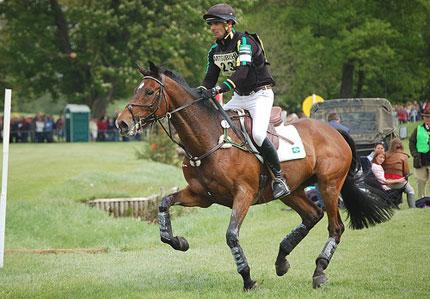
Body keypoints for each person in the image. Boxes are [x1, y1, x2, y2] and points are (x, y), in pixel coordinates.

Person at [199, 3, 290, 199]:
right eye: (210, 24)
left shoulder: (245, 42)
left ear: (229, 24)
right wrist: (199, 92)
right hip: (239, 97)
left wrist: (221, 88)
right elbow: (209, 79)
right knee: (218, 124)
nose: (212, 27)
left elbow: (243, 71)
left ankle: (279, 177)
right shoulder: (214, 50)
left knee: (257, 134)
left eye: (216, 23)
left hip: (260, 95)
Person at [383, 138, 415, 208]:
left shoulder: (385, 155)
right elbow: (406, 173)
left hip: (386, 182)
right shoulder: (404, 156)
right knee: (411, 191)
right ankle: (412, 207)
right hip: (399, 183)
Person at [409, 103, 430, 199]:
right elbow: (412, 142)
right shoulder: (418, 129)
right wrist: (415, 154)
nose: (428, 119)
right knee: (421, 181)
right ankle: (422, 199)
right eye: (426, 117)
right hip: (421, 159)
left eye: (429, 117)